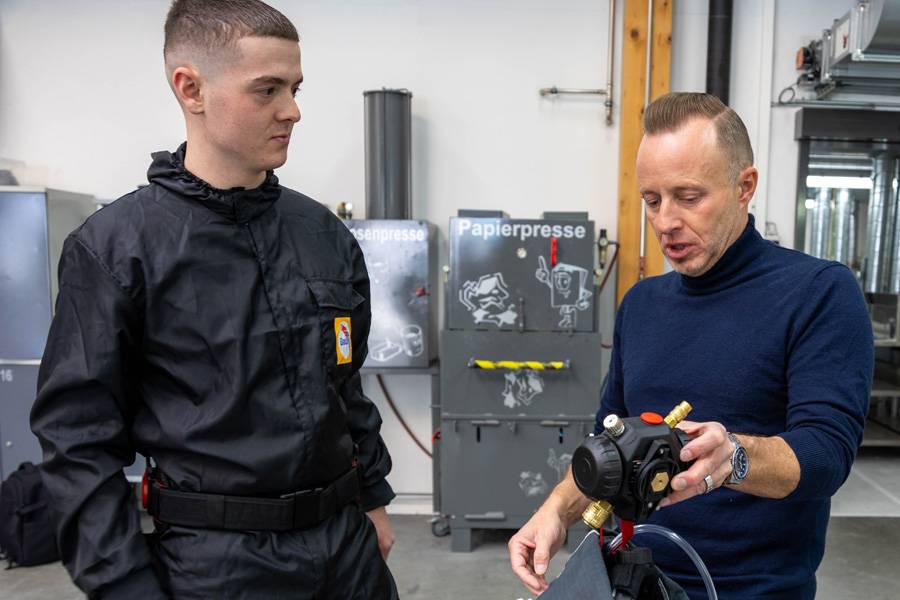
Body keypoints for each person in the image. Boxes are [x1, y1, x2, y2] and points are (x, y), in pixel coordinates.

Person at [30, 1, 398, 598]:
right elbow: (78, 441)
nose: (293, 110)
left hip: (346, 553)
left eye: (296, 87)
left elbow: (344, 386)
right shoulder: (118, 249)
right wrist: (123, 582)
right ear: (191, 88)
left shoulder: (323, 234)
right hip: (217, 566)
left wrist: (374, 501)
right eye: (268, 90)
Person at [508, 92, 873, 599]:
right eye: (652, 200)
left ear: (744, 186)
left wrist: (733, 459)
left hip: (747, 588)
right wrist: (554, 510)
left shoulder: (818, 293)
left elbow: (826, 452)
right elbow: (609, 442)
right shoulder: (641, 304)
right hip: (627, 577)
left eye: (689, 197)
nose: (664, 222)